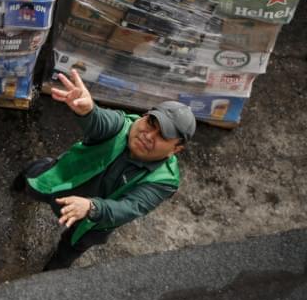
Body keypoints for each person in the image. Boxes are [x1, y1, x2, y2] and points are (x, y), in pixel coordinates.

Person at [15, 69, 196, 270]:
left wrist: (92, 208)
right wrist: (88, 110)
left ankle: (50, 275)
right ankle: (19, 184)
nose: (148, 135)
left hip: (92, 219)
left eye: (162, 135)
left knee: (71, 249)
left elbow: (130, 208)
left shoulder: (164, 181)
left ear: (176, 149)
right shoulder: (122, 125)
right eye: (151, 123)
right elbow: (100, 121)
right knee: (32, 179)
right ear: (144, 116)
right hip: (61, 181)